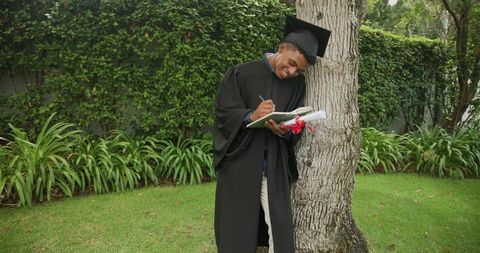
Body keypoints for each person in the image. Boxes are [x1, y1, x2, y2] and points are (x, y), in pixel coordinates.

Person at [213, 16, 331, 253]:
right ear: (281, 48)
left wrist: (286, 129)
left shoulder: (297, 85)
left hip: (274, 166)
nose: (291, 72)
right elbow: (223, 112)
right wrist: (251, 115)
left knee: (281, 227)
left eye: (298, 70)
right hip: (241, 165)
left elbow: (296, 121)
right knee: (236, 229)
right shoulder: (242, 73)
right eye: (290, 63)